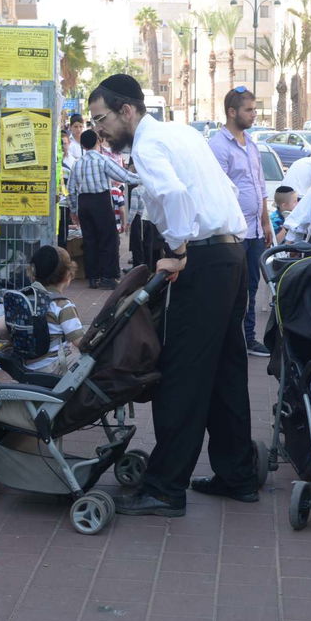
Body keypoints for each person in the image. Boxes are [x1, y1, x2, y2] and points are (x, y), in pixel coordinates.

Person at [87, 74, 252, 517]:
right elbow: (225, 190)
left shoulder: (147, 144)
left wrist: (176, 251)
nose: (98, 129)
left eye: (101, 118)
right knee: (225, 369)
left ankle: (164, 488)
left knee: (182, 375)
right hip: (232, 254)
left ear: (127, 110)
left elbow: (176, 194)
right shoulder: (181, 133)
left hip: (203, 259)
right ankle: (238, 476)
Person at [210, 87, 274, 357]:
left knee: (250, 287)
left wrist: (266, 222)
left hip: (256, 231)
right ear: (232, 112)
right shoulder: (218, 145)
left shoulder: (252, 144)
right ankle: (227, 339)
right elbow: (218, 192)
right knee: (230, 289)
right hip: (233, 234)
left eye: (254, 109)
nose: (254, 114)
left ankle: (247, 338)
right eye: (249, 110)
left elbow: (259, 187)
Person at [0, 245, 85, 374]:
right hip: (53, 367)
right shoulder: (62, 305)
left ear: (33, 273)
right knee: (87, 362)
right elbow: (80, 342)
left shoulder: (26, 299)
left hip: (26, 365)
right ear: (67, 275)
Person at [67, 128, 139, 290]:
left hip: (83, 202)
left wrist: (73, 209)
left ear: (83, 146)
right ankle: (108, 277)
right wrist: (144, 178)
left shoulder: (77, 164)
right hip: (101, 200)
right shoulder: (102, 160)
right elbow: (124, 176)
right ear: (98, 142)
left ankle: (93, 277)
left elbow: (71, 189)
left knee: (89, 240)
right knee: (108, 238)